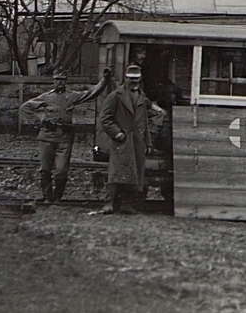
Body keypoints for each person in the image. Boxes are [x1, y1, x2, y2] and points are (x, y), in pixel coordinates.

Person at [20, 69, 109, 204]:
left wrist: (105, 80)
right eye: (57, 79)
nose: (60, 82)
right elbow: (25, 108)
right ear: (54, 81)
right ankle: (47, 197)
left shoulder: (72, 96)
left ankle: (57, 198)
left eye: (62, 80)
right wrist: (39, 122)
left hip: (64, 138)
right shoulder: (46, 97)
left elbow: (92, 93)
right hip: (47, 137)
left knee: (62, 169)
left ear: (66, 81)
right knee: (45, 169)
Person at [98, 64, 151, 214]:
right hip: (122, 140)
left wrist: (147, 142)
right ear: (125, 79)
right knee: (117, 172)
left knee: (135, 173)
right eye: (131, 80)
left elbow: (144, 121)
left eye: (136, 80)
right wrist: (116, 133)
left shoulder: (142, 98)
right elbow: (105, 118)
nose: (134, 83)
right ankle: (109, 203)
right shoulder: (115, 96)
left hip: (138, 141)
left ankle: (127, 204)